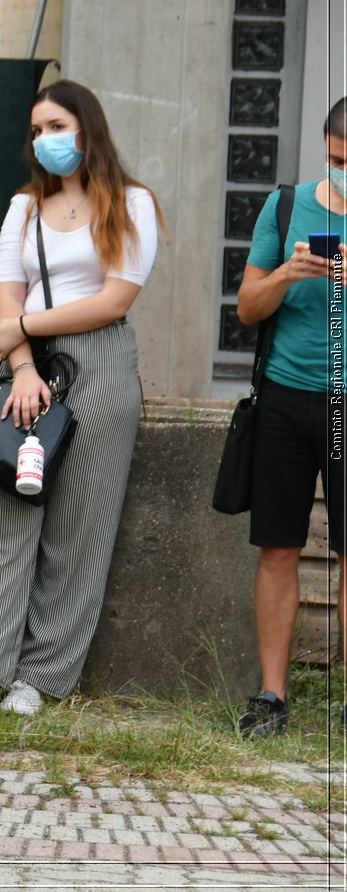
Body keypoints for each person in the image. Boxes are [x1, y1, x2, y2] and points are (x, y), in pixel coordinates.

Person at [0, 79, 162, 716]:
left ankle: (40, 679)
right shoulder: (23, 207)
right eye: (37, 131)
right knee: (9, 520)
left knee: (81, 529)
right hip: (30, 368)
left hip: (100, 363)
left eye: (57, 127)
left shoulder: (132, 202)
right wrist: (20, 365)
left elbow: (115, 298)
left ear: (87, 130)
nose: (45, 141)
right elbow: (6, 294)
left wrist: (24, 330)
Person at [231, 95, 347, 737]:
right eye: (335, 160)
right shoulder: (284, 205)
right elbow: (248, 307)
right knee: (279, 547)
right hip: (284, 396)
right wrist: (290, 272)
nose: (342, 173)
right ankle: (271, 697)